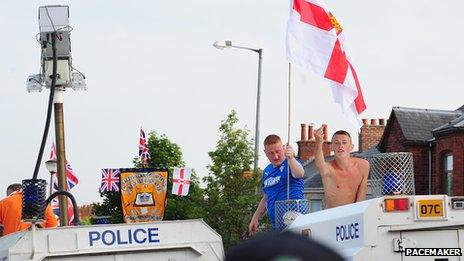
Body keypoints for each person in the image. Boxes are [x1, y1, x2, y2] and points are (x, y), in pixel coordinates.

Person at [248, 134, 305, 235]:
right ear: (265, 153)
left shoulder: (291, 163)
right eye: (271, 153)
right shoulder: (267, 171)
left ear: (283, 148)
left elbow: (299, 173)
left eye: (278, 151)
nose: (275, 156)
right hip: (277, 226)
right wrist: (255, 217)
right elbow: (266, 197)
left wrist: (291, 158)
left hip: (294, 222)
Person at [315, 125, 370, 209]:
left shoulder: (363, 165)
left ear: (351, 147)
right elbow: (320, 164)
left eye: (344, 142)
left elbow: (361, 198)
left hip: (353, 214)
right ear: (331, 147)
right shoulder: (329, 169)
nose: (340, 145)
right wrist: (319, 143)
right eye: (336, 143)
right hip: (333, 216)